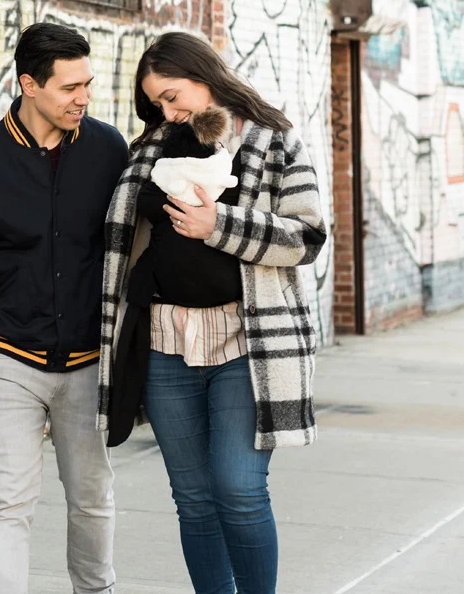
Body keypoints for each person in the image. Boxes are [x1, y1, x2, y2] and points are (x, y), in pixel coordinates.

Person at [98, 31, 326, 594]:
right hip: (165, 344)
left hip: (247, 345)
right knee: (194, 498)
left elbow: (307, 237)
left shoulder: (274, 142)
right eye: (157, 104)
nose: (168, 112)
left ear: (205, 77)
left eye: (173, 96)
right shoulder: (151, 147)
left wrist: (217, 225)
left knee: (239, 489)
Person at [0, 22, 128, 594]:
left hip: (87, 362)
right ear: (29, 85)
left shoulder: (108, 149)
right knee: (8, 501)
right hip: (7, 359)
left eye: (87, 84)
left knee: (92, 496)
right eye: (70, 88)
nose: (83, 98)